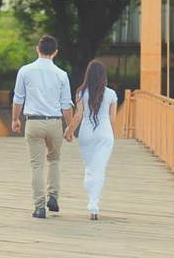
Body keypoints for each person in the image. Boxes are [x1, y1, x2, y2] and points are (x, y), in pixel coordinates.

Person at [11, 35, 74, 218]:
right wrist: (70, 128)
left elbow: (18, 98)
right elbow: (66, 104)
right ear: (55, 52)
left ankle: (39, 207)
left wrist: (15, 119)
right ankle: (53, 196)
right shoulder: (62, 74)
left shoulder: (25, 71)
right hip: (54, 122)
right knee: (54, 160)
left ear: (37, 49)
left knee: (36, 165)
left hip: (34, 122)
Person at [62, 60, 118, 220]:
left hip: (87, 133)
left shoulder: (81, 93)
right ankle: (94, 204)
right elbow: (112, 119)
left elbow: (78, 116)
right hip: (105, 133)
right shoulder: (111, 94)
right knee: (99, 169)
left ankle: (92, 201)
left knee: (90, 169)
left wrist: (68, 132)